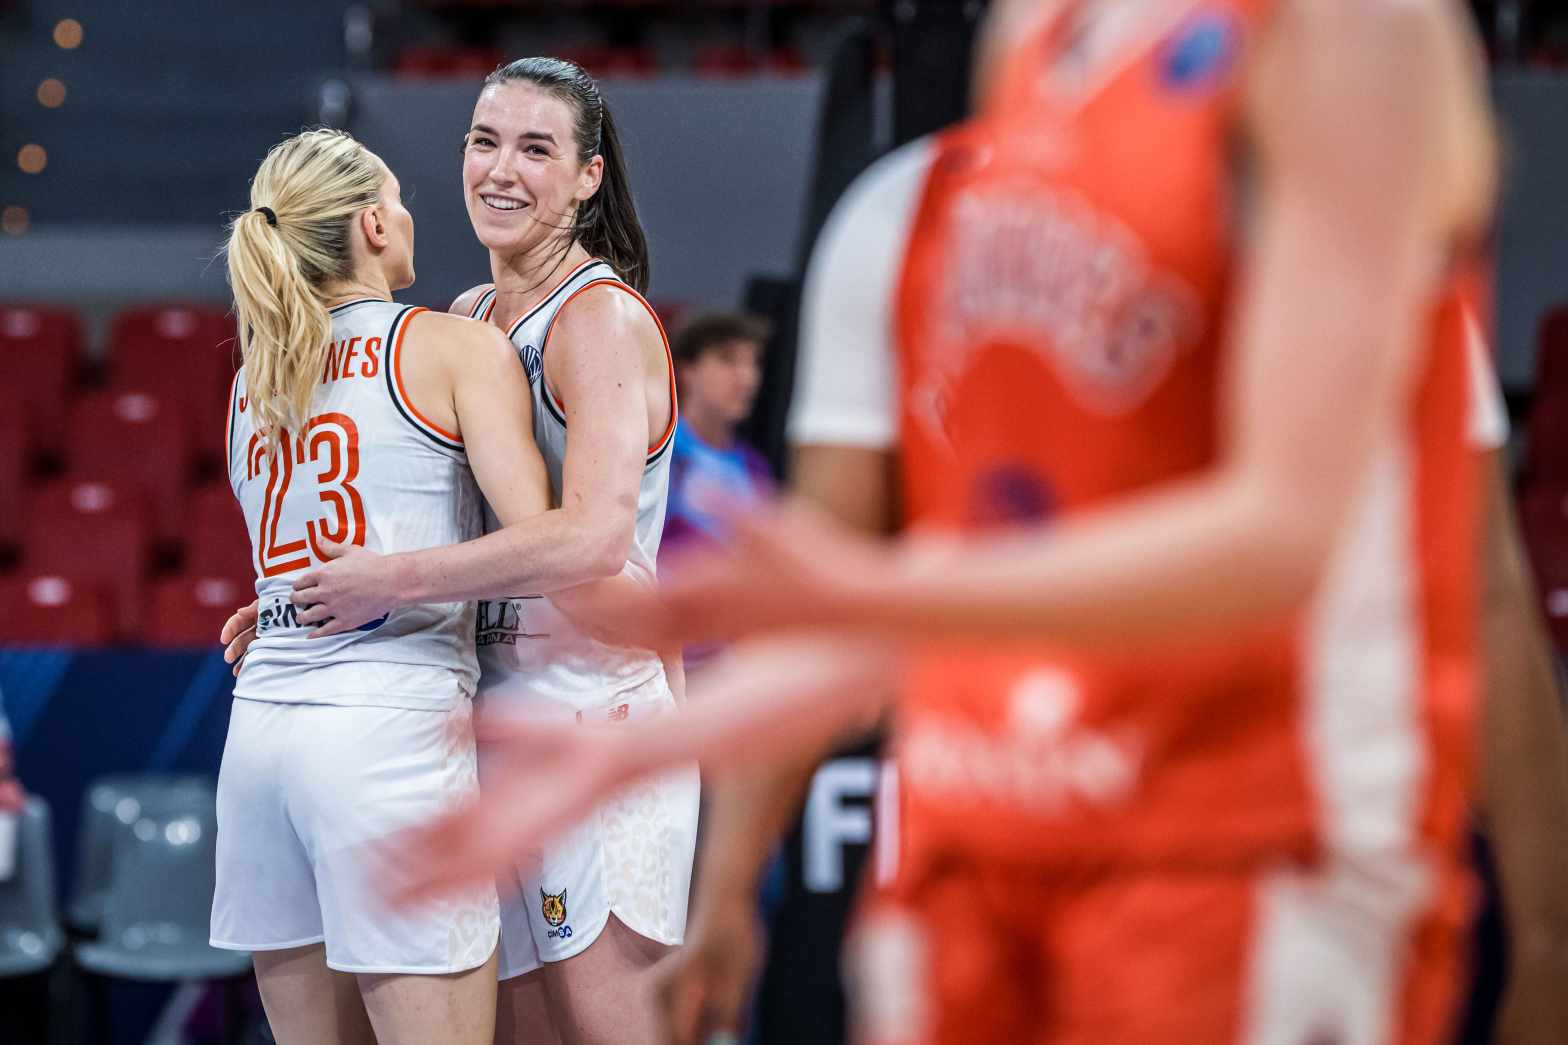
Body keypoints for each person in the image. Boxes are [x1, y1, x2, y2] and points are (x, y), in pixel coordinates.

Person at [392, 3, 1535, 1043]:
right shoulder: (1022, 54)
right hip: (977, 824)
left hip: (1233, 844)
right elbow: (983, 565)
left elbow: (1290, 532)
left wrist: (848, 589)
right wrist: (651, 748)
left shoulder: (1346, 33)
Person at [241, 58, 698, 1045]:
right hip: (488, 720)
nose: (501, 169)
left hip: (596, 722)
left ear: (587, 176)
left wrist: (388, 580)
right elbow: (431, 520)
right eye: (484, 141)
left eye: (536, 149)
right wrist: (292, 596)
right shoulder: (467, 319)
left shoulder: (600, 317)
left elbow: (592, 537)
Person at [212, 126, 599, 1045]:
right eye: (403, 199)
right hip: (388, 732)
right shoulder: (448, 346)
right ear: (374, 225)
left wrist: (280, 602)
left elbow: (313, 550)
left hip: (261, 733)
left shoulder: (254, 375)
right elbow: (550, 542)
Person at [661, 311, 773, 560]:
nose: (747, 378)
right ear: (686, 369)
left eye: (753, 363)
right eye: (728, 360)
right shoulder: (658, 452)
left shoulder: (757, 469)